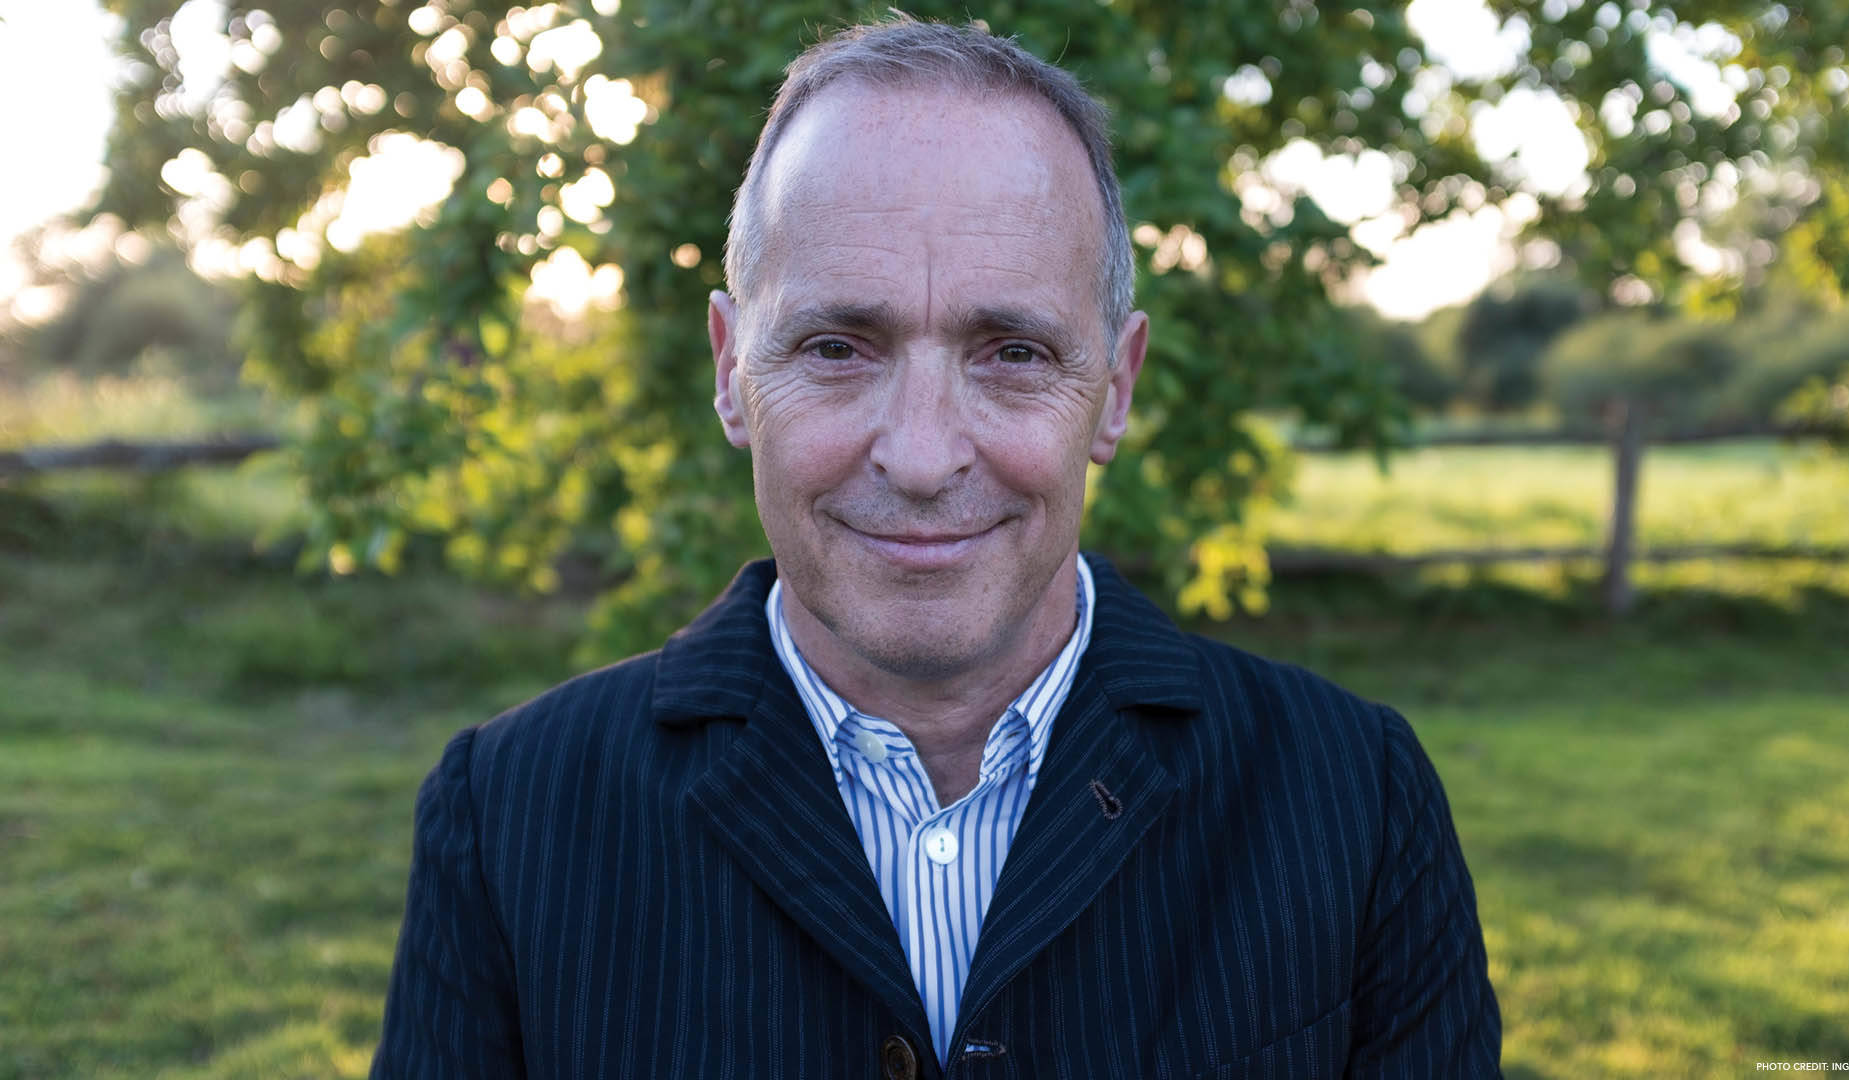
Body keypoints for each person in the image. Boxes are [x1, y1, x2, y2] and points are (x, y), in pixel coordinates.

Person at [372, 15, 1501, 1079]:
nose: (920, 455)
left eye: (1011, 351)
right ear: (730, 371)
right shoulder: (510, 815)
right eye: (835, 346)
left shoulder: (1355, 800)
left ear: (1114, 389)